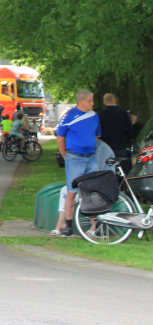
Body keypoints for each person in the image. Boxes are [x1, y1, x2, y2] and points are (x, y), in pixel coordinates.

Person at [56, 88, 101, 238]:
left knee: (92, 191)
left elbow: (97, 136)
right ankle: (69, 226)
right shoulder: (69, 116)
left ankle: (95, 225)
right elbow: (60, 138)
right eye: (90, 100)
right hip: (75, 158)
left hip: (91, 157)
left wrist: (89, 145)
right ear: (81, 101)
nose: (93, 103)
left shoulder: (94, 116)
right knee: (72, 192)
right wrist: (66, 156)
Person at [97, 93, 134, 172]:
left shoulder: (100, 114)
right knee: (124, 169)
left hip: (106, 146)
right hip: (120, 145)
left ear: (104, 102)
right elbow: (130, 130)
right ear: (115, 100)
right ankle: (124, 183)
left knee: (106, 169)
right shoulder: (123, 113)